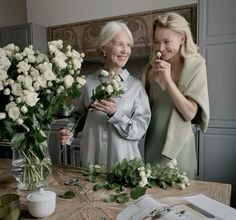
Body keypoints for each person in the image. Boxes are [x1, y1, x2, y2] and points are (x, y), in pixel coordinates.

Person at [60, 21, 151, 168]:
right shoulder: (87, 83)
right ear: (104, 48)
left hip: (124, 168)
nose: (125, 50)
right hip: (91, 164)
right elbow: (78, 117)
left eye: (128, 45)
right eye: (119, 44)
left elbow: (140, 131)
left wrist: (116, 114)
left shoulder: (136, 87)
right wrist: (69, 131)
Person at [142, 12, 210, 179]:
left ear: (182, 38)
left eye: (167, 42)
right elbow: (141, 111)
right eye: (157, 41)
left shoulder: (196, 67)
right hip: (153, 145)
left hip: (180, 148)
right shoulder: (149, 71)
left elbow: (189, 113)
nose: (161, 48)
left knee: (181, 201)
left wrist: (168, 80)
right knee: (153, 201)